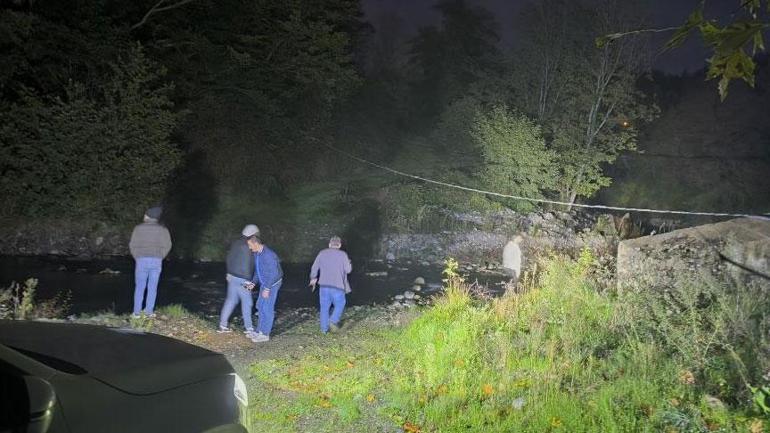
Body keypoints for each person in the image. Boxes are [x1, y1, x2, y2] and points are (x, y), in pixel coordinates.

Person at [218, 224, 260, 338]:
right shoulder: (250, 245)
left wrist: (228, 272)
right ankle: (249, 328)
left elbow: (229, 258)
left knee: (231, 300)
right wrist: (250, 279)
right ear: (253, 234)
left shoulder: (235, 243)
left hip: (232, 276)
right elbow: (251, 263)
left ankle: (222, 325)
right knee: (247, 303)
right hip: (243, 278)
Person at [129, 206, 172, 318]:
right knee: (153, 287)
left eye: (145, 214)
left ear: (148, 216)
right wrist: (161, 256)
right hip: (156, 260)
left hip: (141, 260)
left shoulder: (138, 228)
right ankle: (149, 312)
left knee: (139, 287)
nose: (144, 216)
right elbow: (168, 245)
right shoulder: (163, 229)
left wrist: (137, 256)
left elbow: (132, 245)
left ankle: (136, 313)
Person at [309, 236, 352, 334]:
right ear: (339, 245)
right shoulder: (343, 255)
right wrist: (349, 263)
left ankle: (324, 330)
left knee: (324, 307)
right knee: (340, 304)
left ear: (329, 244)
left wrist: (313, 278)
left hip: (324, 286)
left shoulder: (322, 253)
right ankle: (333, 321)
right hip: (337, 285)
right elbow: (348, 270)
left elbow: (314, 267)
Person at [247, 235, 282, 343]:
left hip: (272, 284)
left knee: (267, 308)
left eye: (250, 245)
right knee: (260, 306)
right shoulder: (257, 253)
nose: (249, 247)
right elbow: (258, 270)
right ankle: (259, 331)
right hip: (265, 282)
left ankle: (265, 334)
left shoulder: (268, 255)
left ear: (256, 244)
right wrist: (253, 282)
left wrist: (267, 288)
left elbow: (274, 273)